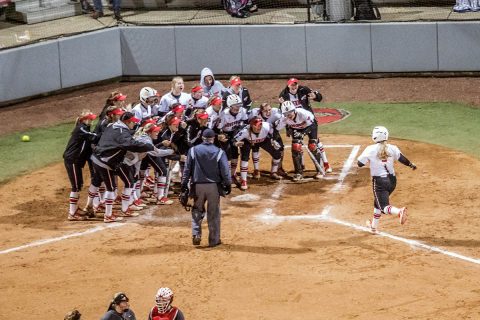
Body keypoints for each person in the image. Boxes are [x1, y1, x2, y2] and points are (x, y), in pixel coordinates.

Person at [91, 112, 154, 223]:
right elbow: (130, 144)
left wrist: (135, 132)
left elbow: (123, 136)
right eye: (132, 122)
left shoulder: (113, 126)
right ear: (126, 122)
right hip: (105, 161)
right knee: (110, 188)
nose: (134, 124)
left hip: (97, 158)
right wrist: (148, 146)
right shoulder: (122, 132)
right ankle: (108, 215)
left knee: (97, 182)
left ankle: (92, 206)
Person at [357, 126, 417, 233]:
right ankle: (374, 228)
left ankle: (399, 211)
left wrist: (371, 160)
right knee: (377, 203)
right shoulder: (392, 147)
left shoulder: (370, 149)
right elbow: (402, 159)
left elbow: (360, 164)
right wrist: (411, 165)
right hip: (392, 181)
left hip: (380, 183)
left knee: (383, 207)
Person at [181, 129, 231, 247]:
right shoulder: (219, 152)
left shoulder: (192, 150)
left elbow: (187, 169)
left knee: (197, 209)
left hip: (197, 186)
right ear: (213, 138)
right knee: (213, 213)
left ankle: (196, 233)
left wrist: (183, 184)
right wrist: (228, 183)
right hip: (214, 187)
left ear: (202, 138)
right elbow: (225, 171)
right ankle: (214, 240)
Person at [276, 101, 330, 181]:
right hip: (296, 129)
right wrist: (288, 129)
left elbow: (311, 125)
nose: (289, 115)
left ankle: (320, 170)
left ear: (294, 110)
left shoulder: (303, 114)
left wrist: (303, 133)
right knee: (296, 147)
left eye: (290, 112)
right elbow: (277, 128)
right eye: (286, 113)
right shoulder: (284, 118)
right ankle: (298, 172)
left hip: (310, 126)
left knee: (312, 146)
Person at [63, 110, 98, 221]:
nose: (92, 121)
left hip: (76, 161)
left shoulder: (85, 128)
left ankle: (75, 209)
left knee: (79, 184)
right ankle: (72, 213)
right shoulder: (80, 128)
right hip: (72, 160)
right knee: (76, 186)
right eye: (90, 119)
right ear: (84, 120)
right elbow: (92, 136)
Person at [234, 116, 282, 190]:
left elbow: (274, 131)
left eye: (260, 125)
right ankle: (244, 180)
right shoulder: (244, 131)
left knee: (277, 153)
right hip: (248, 141)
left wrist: (274, 140)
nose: (259, 127)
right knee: (244, 158)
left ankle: (273, 172)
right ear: (252, 125)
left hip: (263, 140)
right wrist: (236, 143)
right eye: (257, 126)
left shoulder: (266, 126)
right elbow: (234, 140)